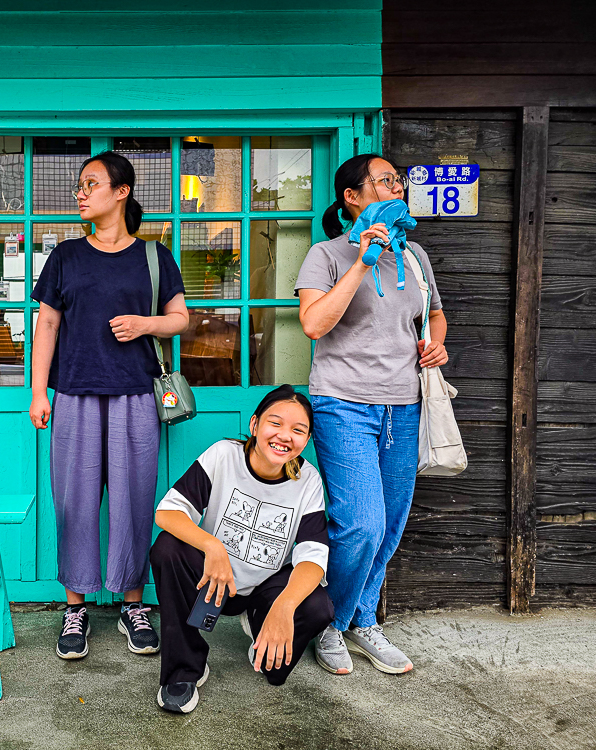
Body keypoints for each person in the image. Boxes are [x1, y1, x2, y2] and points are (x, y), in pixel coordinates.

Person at [30, 151, 189, 660]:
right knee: (74, 500)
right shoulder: (65, 257)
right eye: (79, 185)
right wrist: (38, 391)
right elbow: (47, 325)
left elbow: (180, 319)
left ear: (121, 192)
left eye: (90, 184)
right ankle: (75, 606)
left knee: (132, 500)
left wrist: (145, 325)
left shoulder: (154, 257)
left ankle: (132, 604)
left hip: (136, 395)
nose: (80, 192)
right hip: (74, 394)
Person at [295, 154, 449, 676]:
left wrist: (436, 346)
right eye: (384, 181)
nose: (396, 187)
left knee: (390, 525)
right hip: (344, 403)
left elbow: (433, 315)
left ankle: (363, 620)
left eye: (397, 180)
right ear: (352, 197)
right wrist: (362, 260)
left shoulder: (416, 257)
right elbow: (314, 323)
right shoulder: (327, 255)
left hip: (404, 407)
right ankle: (330, 624)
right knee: (360, 522)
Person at [151, 386, 333, 713]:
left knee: (317, 610)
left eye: (298, 430)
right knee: (167, 549)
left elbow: (313, 558)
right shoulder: (225, 455)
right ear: (255, 425)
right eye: (274, 423)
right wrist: (213, 547)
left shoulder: (307, 480)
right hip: (214, 580)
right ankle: (185, 669)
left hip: (265, 586)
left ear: (306, 441)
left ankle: (260, 626)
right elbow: (167, 512)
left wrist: (285, 607)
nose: (284, 436)